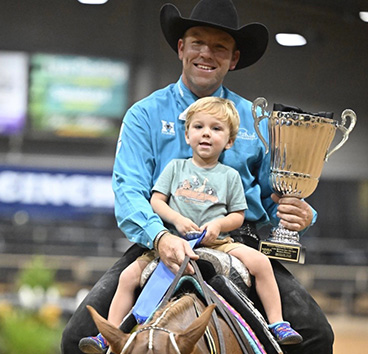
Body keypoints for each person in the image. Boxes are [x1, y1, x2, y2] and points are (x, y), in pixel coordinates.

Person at [61, 1, 334, 353]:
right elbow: (129, 191)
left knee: (316, 336)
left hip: (236, 242)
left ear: (233, 58)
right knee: (74, 339)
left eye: (220, 46)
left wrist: (301, 214)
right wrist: (159, 238)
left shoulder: (257, 119)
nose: (207, 53)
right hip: (160, 241)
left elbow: (275, 194)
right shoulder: (144, 115)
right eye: (197, 43)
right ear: (181, 49)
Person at [78, 97, 303, 353]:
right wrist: (175, 220)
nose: (206, 133)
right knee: (128, 276)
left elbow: (238, 215)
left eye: (216, 129)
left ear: (229, 141)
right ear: (187, 135)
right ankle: (109, 334)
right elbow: (157, 201)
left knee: (261, 263)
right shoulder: (175, 168)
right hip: (170, 240)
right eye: (198, 127)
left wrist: (218, 225)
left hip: (219, 243)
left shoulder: (229, 176)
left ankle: (276, 323)